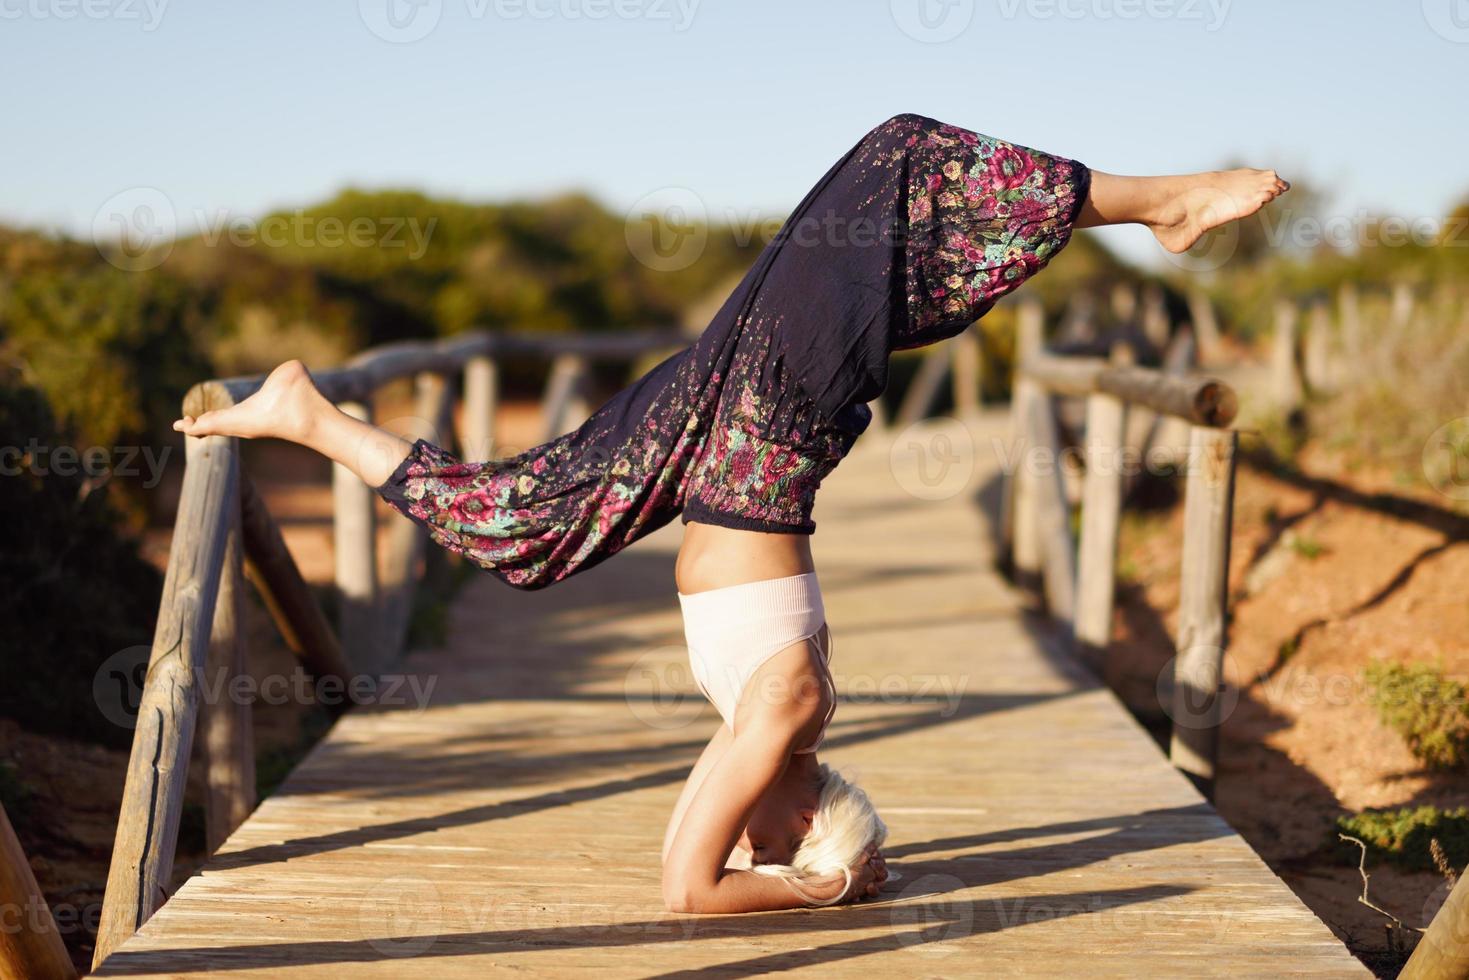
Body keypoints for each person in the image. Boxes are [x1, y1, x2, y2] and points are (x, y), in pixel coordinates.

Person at [174, 112, 1287, 913]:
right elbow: (691, 885)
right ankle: (1162, 204)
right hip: (766, 430)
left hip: (723, 448)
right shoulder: (785, 713)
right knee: (898, 162)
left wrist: (804, 885)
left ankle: (308, 415)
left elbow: (682, 875)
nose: (737, 832)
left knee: (518, 531)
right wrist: (815, 882)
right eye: (772, 839)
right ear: (800, 817)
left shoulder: (777, 726)